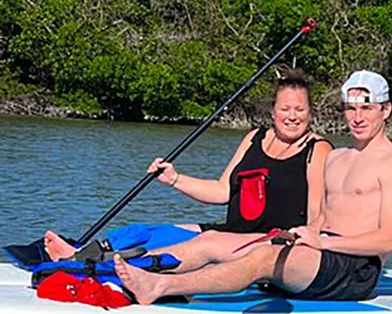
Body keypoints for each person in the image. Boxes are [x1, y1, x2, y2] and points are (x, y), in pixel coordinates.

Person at [113, 70, 392, 304]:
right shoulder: (338, 158)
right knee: (214, 241)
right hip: (318, 254)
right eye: (350, 109)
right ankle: (114, 273)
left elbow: (388, 240)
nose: (358, 118)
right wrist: (303, 235)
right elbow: (321, 217)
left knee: (262, 258)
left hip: (353, 270)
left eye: (367, 108)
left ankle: (159, 286)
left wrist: (323, 243)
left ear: (385, 110)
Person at [42, 69, 333, 262]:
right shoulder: (254, 137)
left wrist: (299, 245)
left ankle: (94, 265)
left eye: (300, 109)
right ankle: (82, 254)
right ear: (273, 111)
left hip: (263, 243)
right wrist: (175, 179)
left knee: (169, 250)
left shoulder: (317, 150)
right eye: (285, 109)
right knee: (144, 232)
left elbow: (319, 215)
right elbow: (222, 191)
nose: (292, 116)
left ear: (310, 112)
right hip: (227, 231)